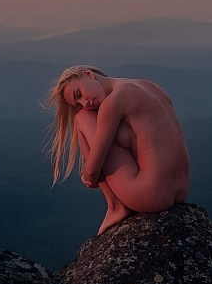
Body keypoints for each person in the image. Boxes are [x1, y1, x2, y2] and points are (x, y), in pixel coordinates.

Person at [46, 65, 192, 234]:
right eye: (78, 104)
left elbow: (93, 171)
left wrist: (87, 175)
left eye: (78, 94)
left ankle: (115, 205)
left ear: (88, 74)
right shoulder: (148, 86)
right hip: (182, 188)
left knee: (82, 119)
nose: (84, 103)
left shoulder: (113, 102)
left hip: (151, 195)